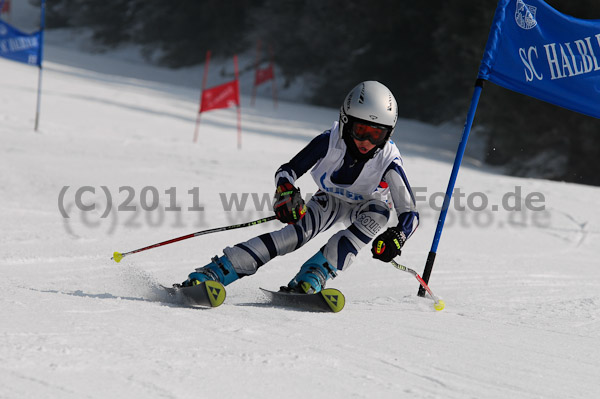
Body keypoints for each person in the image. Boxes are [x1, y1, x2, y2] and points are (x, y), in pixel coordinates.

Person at [180, 81, 419, 294]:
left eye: (376, 135)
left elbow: (411, 213)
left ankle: (316, 272)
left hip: (368, 206)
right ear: (346, 122)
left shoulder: (388, 161)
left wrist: (398, 236)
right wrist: (286, 193)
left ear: (388, 135)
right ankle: (219, 270)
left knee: (379, 214)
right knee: (292, 237)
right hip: (331, 198)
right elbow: (287, 171)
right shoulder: (329, 141)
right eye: (361, 131)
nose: (366, 142)